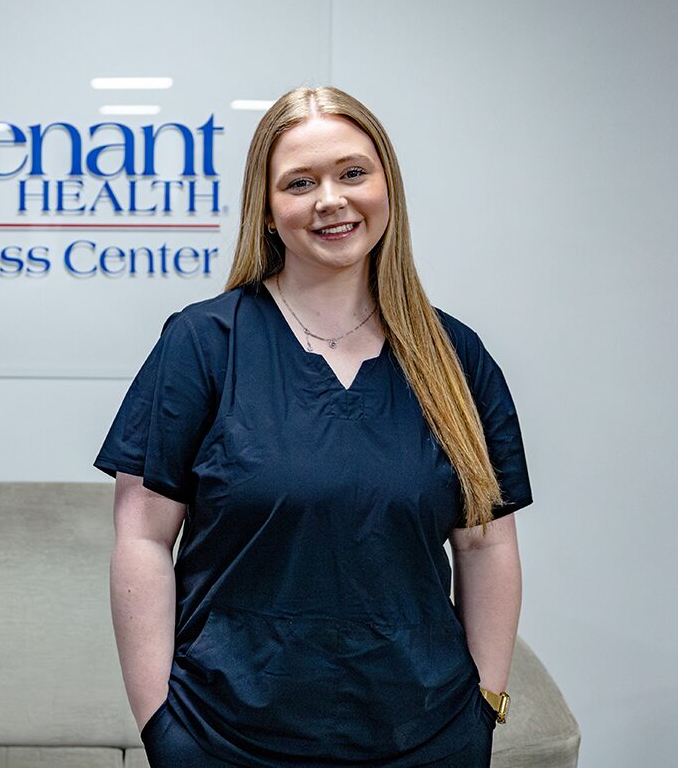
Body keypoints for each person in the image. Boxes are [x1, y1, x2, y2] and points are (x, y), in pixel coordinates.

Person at [94, 86, 532, 767]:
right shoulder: (204, 343)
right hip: (225, 737)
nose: (331, 198)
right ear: (268, 211)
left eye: (353, 172)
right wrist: (162, 724)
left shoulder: (455, 357)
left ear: (387, 186)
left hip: (426, 735)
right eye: (300, 182)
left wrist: (485, 705)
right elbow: (142, 538)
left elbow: (485, 545)